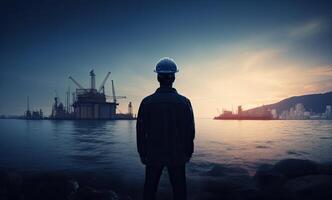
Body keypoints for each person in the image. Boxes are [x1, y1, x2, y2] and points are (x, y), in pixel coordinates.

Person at [136, 57, 195, 200]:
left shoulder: (146, 102)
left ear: (158, 77)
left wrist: (143, 153)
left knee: (149, 190)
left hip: (153, 154)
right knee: (179, 191)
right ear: (173, 77)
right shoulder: (184, 102)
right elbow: (190, 131)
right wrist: (188, 153)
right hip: (177, 154)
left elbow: (140, 131)